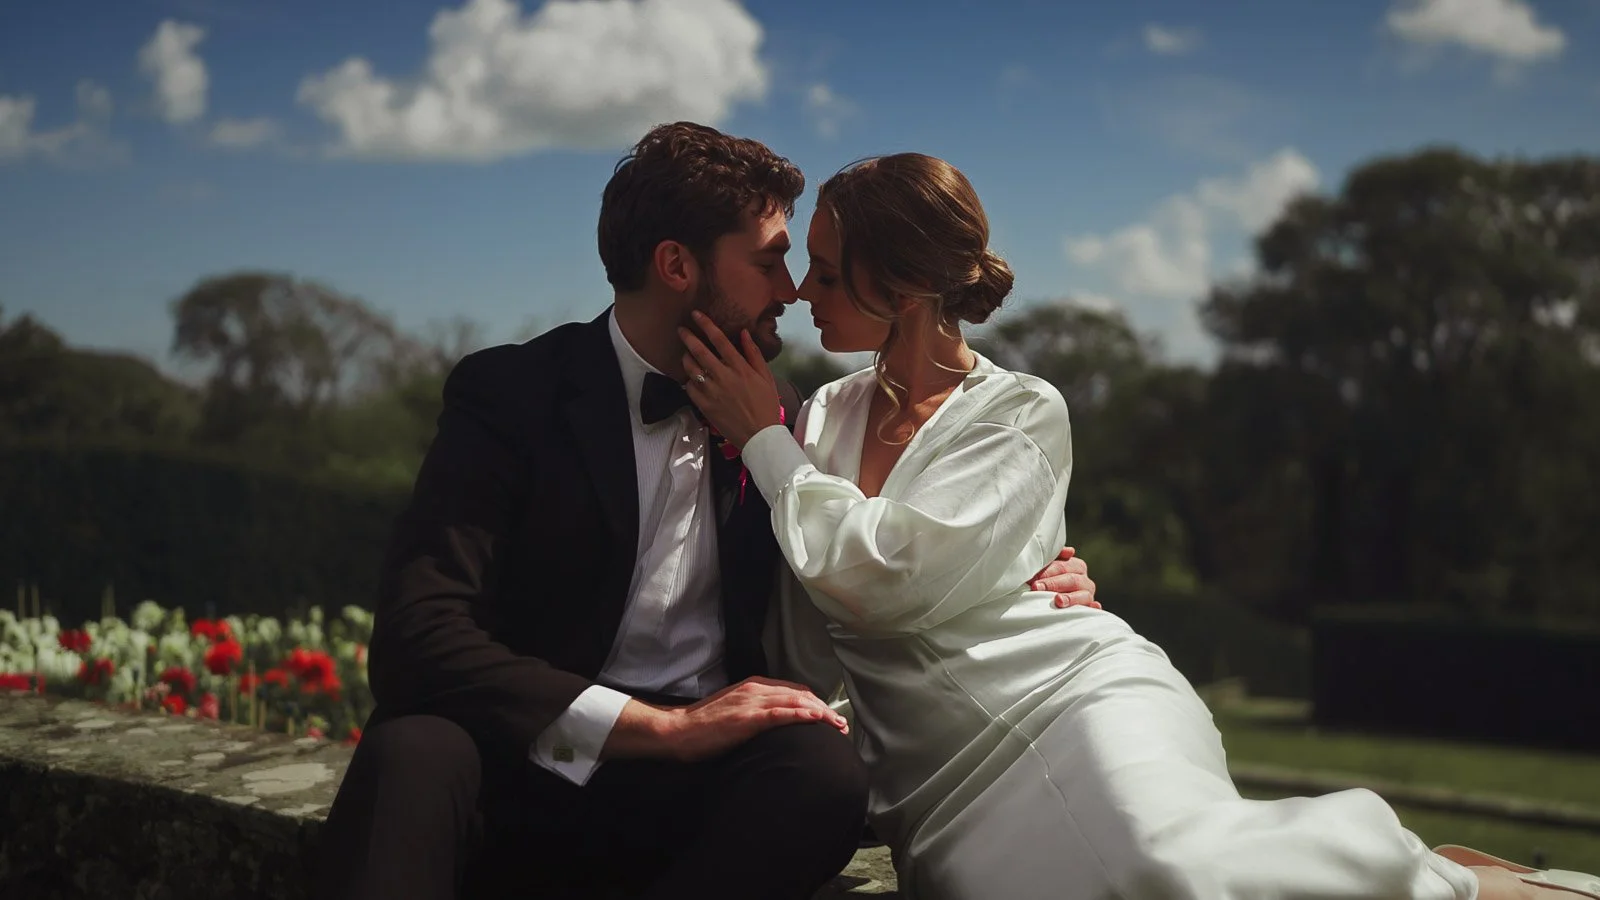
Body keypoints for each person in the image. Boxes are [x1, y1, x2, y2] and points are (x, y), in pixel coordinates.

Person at [681, 151, 1600, 900]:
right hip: (944, 779)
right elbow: (811, 616)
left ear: (908, 284)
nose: (801, 290)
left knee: (1176, 872)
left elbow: (888, 581)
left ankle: (1452, 883)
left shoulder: (1021, 412)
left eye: (830, 271)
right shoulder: (816, 421)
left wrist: (761, 436)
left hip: (1075, 700)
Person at [312, 123, 1099, 900]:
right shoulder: (512, 394)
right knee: (408, 753)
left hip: (699, 788)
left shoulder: (788, 420)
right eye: (769, 261)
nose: (792, 289)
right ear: (677, 265)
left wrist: (1025, 572)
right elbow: (419, 635)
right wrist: (656, 728)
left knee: (820, 778)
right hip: (530, 753)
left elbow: (887, 556)